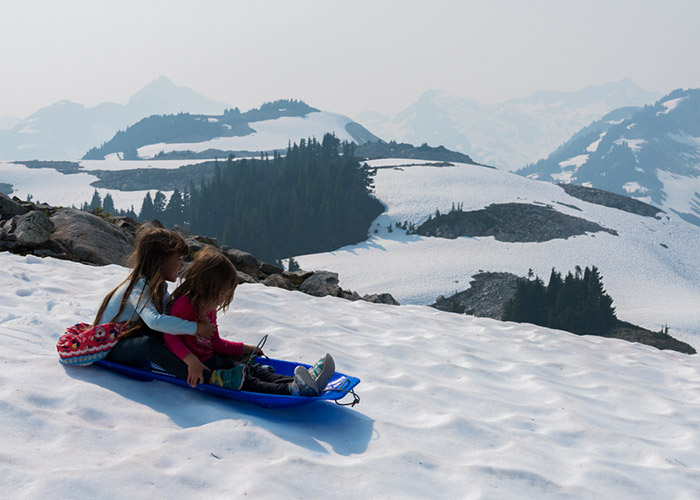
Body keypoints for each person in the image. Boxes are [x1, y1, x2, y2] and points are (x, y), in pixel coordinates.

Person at [163, 246, 335, 396]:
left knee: (253, 370)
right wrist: (191, 361)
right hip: (202, 368)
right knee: (248, 380)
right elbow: (170, 337)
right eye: (221, 293)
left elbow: (215, 343)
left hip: (213, 359)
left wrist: (245, 348)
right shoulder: (184, 305)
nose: (223, 299)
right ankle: (292, 389)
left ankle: (307, 381)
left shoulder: (209, 310)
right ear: (205, 287)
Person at [95, 226, 214, 373]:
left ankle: (210, 362)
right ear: (160, 260)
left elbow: (168, 316)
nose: (182, 265)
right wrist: (196, 328)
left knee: (167, 334)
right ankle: (204, 375)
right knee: (148, 344)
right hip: (109, 347)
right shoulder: (137, 286)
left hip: (128, 339)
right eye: (179, 259)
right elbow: (154, 321)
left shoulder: (159, 287)